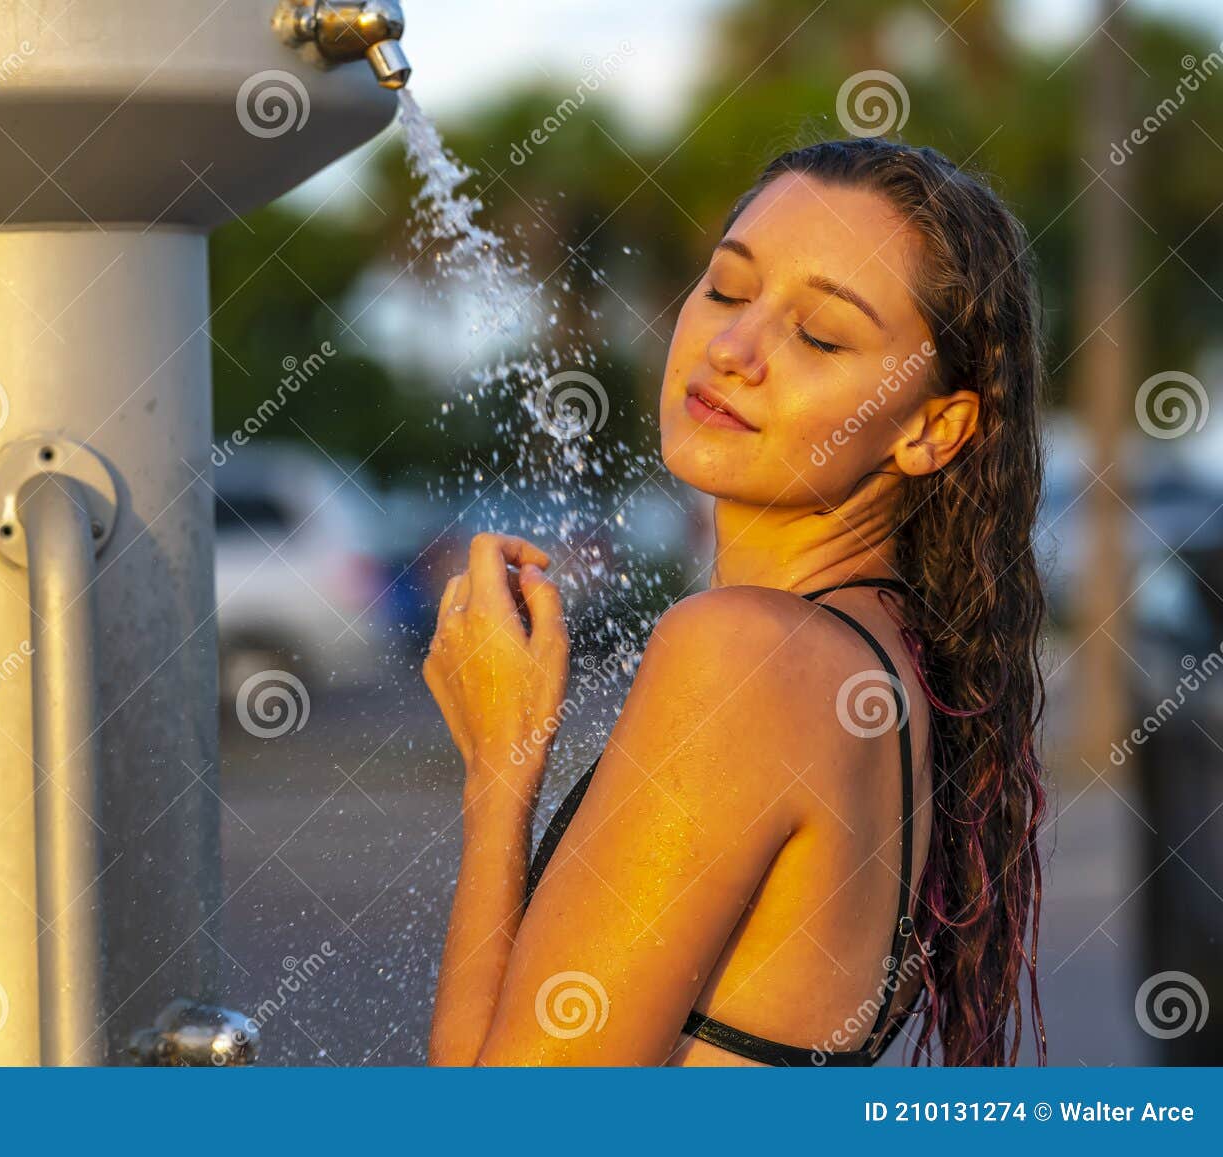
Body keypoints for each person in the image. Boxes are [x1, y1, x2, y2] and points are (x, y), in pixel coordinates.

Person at [423, 137, 1048, 1067]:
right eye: (725, 288)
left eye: (822, 336)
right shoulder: (886, 660)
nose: (733, 348)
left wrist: (498, 769)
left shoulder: (747, 655)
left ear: (933, 427)